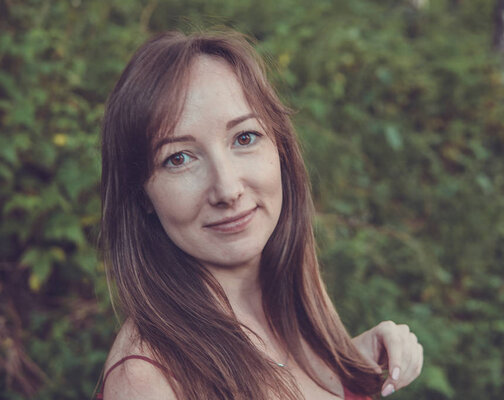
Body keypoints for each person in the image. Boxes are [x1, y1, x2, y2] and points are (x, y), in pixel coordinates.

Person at [97, 30, 423, 400]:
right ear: (142, 195)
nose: (228, 189)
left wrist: (347, 367)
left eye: (244, 138)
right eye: (179, 158)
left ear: (280, 148)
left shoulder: (295, 308)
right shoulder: (147, 379)